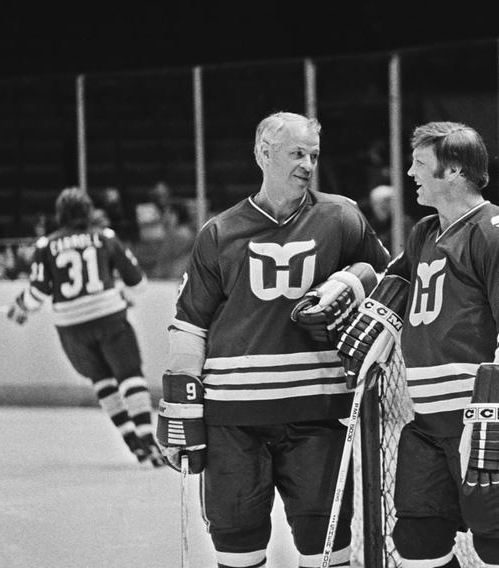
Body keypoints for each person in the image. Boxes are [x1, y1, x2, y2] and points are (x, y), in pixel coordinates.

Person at [155, 111, 390, 568]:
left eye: (313, 155)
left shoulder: (341, 217)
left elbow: (391, 280)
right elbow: (190, 326)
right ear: (264, 153)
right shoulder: (219, 232)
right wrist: (180, 408)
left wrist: (358, 282)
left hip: (318, 416)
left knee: (327, 551)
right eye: (296, 153)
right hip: (232, 422)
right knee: (237, 550)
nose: (307, 164)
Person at [337, 121, 499, 568]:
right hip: (432, 422)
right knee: (418, 540)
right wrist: (366, 315)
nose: (411, 173)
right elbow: (397, 282)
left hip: (497, 418)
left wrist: (495, 411)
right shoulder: (424, 233)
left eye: (420, 163)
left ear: (453, 169)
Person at [6, 186, 163, 467]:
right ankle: (147, 438)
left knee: (102, 381)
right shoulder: (105, 238)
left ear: (59, 215)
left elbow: (37, 294)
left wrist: (20, 308)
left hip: (71, 327)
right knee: (130, 376)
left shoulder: (46, 246)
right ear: (89, 212)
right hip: (109, 316)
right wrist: (124, 298)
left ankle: (132, 442)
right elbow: (137, 283)